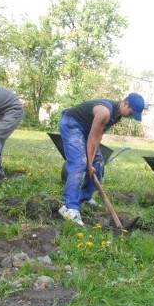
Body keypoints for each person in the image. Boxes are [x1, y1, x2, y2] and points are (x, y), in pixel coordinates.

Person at [58, 93, 145, 226]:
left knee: (98, 163)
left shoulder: (117, 115)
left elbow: (98, 136)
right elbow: (92, 138)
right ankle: (69, 208)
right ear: (125, 103)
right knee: (79, 163)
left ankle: (85, 196)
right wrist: (88, 163)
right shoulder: (105, 111)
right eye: (131, 112)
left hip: (86, 130)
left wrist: (92, 161)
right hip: (72, 124)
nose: (131, 116)